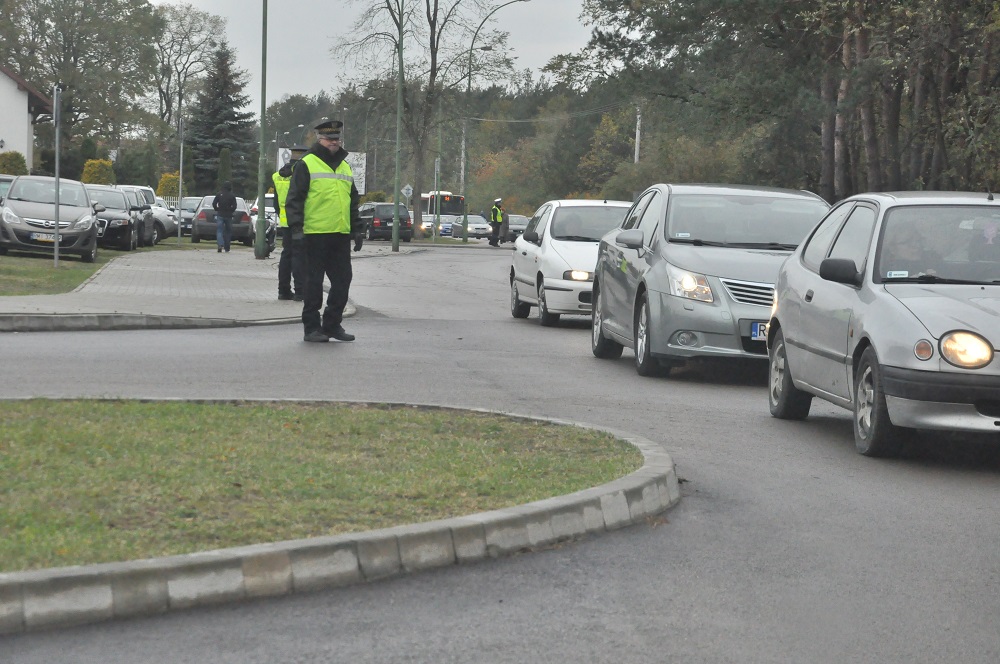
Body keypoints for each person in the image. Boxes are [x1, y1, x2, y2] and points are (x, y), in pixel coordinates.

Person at [284, 120, 364, 343]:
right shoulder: (307, 164)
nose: (334, 142)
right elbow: (294, 200)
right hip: (314, 235)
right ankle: (311, 328)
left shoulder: (345, 166)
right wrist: (297, 230)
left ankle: (332, 325)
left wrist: (357, 229)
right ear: (319, 140)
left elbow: (352, 202)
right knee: (313, 284)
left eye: (337, 139)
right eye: (330, 139)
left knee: (342, 282)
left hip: (339, 235)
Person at [272, 145, 308, 301]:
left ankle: (283, 290)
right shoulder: (302, 173)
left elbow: (275, 203)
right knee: (300, 257)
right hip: (301, 221)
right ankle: (300, 291)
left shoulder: (277, 176)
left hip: (285, 222)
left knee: (286, 256)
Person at [212, 181, 238, 253]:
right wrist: (231, 211)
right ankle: (227, 247)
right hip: (228, 216)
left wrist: (217, 209)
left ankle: (220, 244)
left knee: (219, 230)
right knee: (228, 231)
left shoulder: (219, 194)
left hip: (220, 214)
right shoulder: (232, 195)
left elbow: (214, 203)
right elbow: (235, 206)